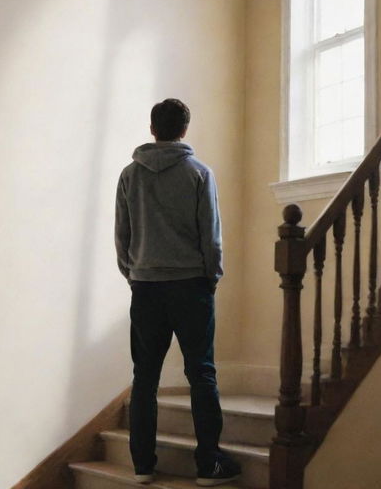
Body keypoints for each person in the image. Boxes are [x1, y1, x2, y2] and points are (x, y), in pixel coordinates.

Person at [115, 98, 241, 487]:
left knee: (145, 377)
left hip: (146, 287)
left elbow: (122, 236)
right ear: (184, 130)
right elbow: (211, 235)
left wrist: (135, 273)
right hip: (191, 286)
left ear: (153, 128)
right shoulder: (198, 173)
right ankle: (208, 465)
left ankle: (142, 465)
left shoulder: (129, 176)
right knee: (201, 373)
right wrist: (210, 277)